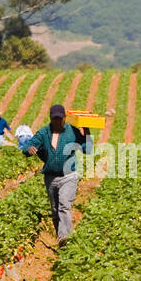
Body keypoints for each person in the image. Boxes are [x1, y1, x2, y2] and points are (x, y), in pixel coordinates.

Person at [25, 103, 93, 245]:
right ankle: (60, 236)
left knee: (64, 206)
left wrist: (86, 131)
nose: (57, 121)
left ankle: (64, 238)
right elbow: (29, 144)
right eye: (54, 119)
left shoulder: (72, 132)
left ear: (65, 118)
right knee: (55, 210)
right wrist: (29, 149)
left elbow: (88, 149)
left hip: (69, 176)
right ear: (50, 118)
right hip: (50, 177)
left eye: (60, 119)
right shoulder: (44, 133)